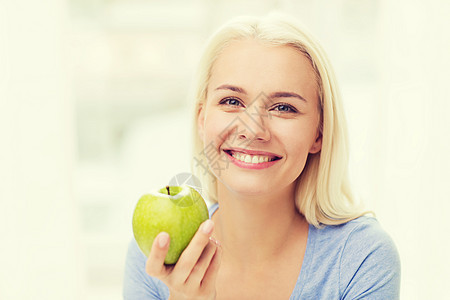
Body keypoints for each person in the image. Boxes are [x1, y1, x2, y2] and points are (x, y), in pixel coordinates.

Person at [123, 13, 401, 300]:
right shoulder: (159, 251)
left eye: (283, 107)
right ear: (202, 119)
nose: (252, 130)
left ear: (319, 133)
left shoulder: (360, 258)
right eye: (232, 101)